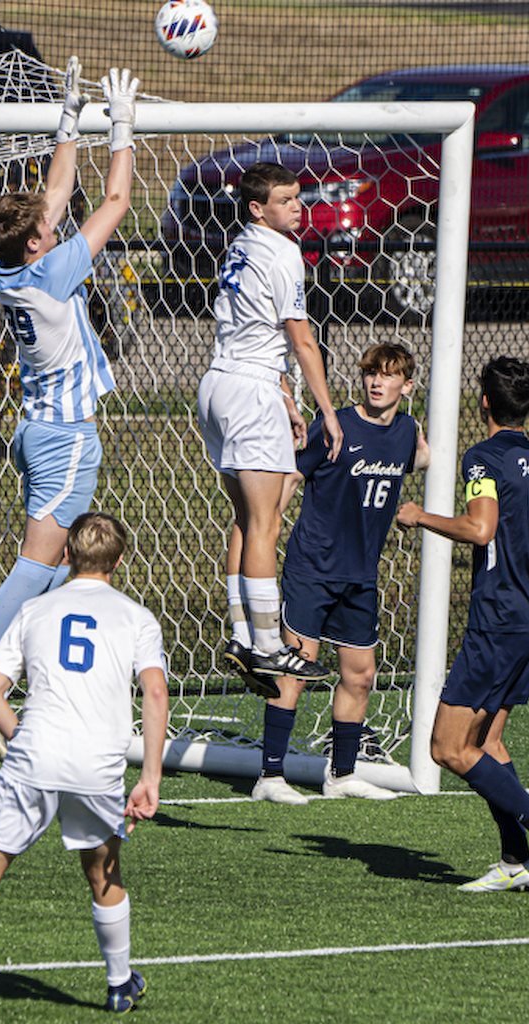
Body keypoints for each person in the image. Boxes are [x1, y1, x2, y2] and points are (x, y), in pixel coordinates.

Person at [0, 60, 141, 758]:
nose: (54, 225)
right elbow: (114, 199)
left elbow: (55, 198)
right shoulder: (54, 270)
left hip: (37, 430)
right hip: (64, 437)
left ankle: (21, 679)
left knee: (56, 575)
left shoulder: (11, 265)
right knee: (36, 567)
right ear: (36, 244)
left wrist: (68, 119)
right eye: (46, 229)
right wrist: (122, 126)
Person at [0, 512, 168, 1023]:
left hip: (35, 755)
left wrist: (23, 738)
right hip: (97, 763)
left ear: (66, 555)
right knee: (102, 872)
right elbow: (155, 692)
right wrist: (150, 778)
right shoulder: (137, 617)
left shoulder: (35, 609)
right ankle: (119, 985)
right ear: (118, 562)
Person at [395, 356, 529, 893]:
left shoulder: (483, 458)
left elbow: (480, 528)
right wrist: (526, 588)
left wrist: (419, 516)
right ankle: (515, 861)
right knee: (489, 744)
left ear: (484, 403)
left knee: (447, 748)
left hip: (497, 624)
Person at [251, 342, 429, 805]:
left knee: (361, 674)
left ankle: (342, 774)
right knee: (296, 670)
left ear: (408, 386)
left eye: (388, 375)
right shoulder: (336, 425)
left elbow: (423, 458)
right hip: (313, 566)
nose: (376, 382)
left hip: (361, 575)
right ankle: (270, 775)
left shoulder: (408, 431)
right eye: (371, 373)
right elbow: (294, 475)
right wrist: (266, 530)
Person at [198, 160, 342, 694]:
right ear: (257, 208)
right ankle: (267, 645)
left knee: (247, 519)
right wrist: (327, 410)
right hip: (250, 393)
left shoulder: (240, 245)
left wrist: (287, 398)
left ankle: (243, 636)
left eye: (298, 197)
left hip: (220, 384)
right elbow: (300, 339)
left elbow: (258, 330)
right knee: (266, 523)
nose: (297, 207)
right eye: (285, 200)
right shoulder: (284, 253)